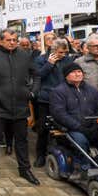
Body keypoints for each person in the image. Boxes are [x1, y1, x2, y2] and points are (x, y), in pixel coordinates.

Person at [0, 29, 41, 187]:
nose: (12, 42)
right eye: (9, 40)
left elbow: (37, 75)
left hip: (20, 105)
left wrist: (32, 93)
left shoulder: (25, 55)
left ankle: (24, 169)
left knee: (22, 140)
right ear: (1, 40)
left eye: (14, 39)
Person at [49, 63, 98, 171]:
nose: (77, 74)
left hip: (92, 126)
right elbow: (59, 114)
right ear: (66, 76)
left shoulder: (92, 90)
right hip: (72, 128)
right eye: (73, 72)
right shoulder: (58, 91)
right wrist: (79, 127)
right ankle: (82, 166)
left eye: (79, 72)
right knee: (80, 140)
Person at [33, 39, 74, 168]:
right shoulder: (41, 59)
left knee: (63, 127)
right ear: (54, 50)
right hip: (45, 99)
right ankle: (40, 155)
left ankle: (62, 154)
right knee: (43, 128)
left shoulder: (68, 60)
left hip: (63, 99)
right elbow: (37, 76)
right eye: (61, 52)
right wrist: (49, 64)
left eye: (65, 52)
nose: (63, 55)